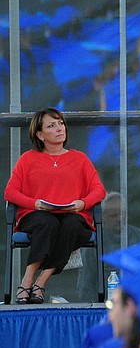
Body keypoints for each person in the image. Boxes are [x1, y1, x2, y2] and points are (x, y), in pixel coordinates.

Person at [4, 107, 106, 304]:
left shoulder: (79, 158)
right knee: (48, 223)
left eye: (61, 123)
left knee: (71, 225)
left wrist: (82, 203)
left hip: (73, 215)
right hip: (37, 215)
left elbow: (99, 190)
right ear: (40, 135)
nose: (60, 128)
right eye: (52, 125)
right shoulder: (28, 159)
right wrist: (35, 204)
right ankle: (28, 277)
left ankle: (41, 281)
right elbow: (10, 192)